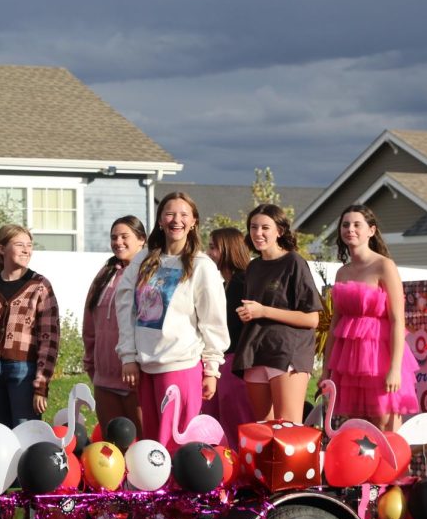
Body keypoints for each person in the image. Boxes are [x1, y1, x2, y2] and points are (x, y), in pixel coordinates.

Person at [115, 192, 228, 450]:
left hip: (180, 365)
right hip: (145, 367)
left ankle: (181, 491)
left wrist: (211, 369)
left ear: (194, 222)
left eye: (183, 215)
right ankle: (157, 490)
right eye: (170, 214)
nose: (176, 220)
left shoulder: (201, 266)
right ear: (160, 221)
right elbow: (125, 305)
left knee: (176, 445)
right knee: (153, 445)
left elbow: (213, 321)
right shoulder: (144, 260)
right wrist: (128, 356)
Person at [324, 204, 419, 431]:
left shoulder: (384, 266)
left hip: (380, 357)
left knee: (383, 422)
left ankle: (390, 467)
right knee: (357, 425)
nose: (350, 229)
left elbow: (397, 320)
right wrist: (327, 368)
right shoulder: (342, 272)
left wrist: (394, 368)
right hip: (349, 360)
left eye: (357, 224)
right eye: (345, 225)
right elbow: (335, 323)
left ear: (371, 230)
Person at [233, 203, 322, 424]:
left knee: (288, 429)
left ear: (279, 231)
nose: (258, 233)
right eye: (253, 227)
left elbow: (312, 318)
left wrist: (263, 311)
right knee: (263, 431)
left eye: (265, 227)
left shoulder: (294, 262)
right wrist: (249, 314)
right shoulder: (253, 267)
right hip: (255, 353)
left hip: (286, 353)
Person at [0, 225, 60, 426]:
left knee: (25, 430)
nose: (27, 250)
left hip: (24, 371)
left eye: (29, 245)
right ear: (1, 249)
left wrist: (41, 386)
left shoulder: (40, 286)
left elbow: (49, 339)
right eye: (19, 245)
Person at [83, 216, 147, 434]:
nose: (118, 242)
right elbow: (89, 324)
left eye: (124, 236)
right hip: (105, 378)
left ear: (141, 240)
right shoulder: (105, 274)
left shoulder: (150, 275)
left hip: (137, 378)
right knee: (112, 445)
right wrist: (91, 362)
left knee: (144, 444)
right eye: (114, 237)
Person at [200, 226, 254, 439]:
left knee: (236, 420)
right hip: (222, 361)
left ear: (228, 249)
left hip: (235, 362)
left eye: (213, 247)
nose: (208, 252)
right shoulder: (222, 284)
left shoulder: (241, 282)